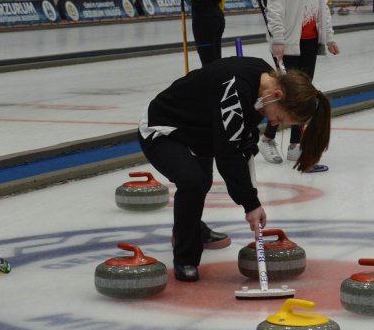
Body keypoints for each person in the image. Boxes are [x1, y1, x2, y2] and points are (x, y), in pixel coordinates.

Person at [139, 56, 332, 281]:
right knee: (193, 182)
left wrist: (247, 137)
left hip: (199, 130)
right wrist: (250, 203)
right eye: (279, 117)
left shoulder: (266, 80)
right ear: (277, 95)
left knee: (202, 181)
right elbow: (227, 154)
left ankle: (190, 227)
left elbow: (239, 125)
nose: (273, 124)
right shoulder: (237, 89)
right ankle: (185, 258)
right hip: (163, 126)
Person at [258, 0, 340, 166]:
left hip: (309, 38)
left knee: (304, 95)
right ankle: (268, 139)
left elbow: (321, 2)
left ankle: (295, 143)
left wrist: (328, 35)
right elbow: (275, 5)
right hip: (288, 40)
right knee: (286, 95)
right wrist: (278, 38)